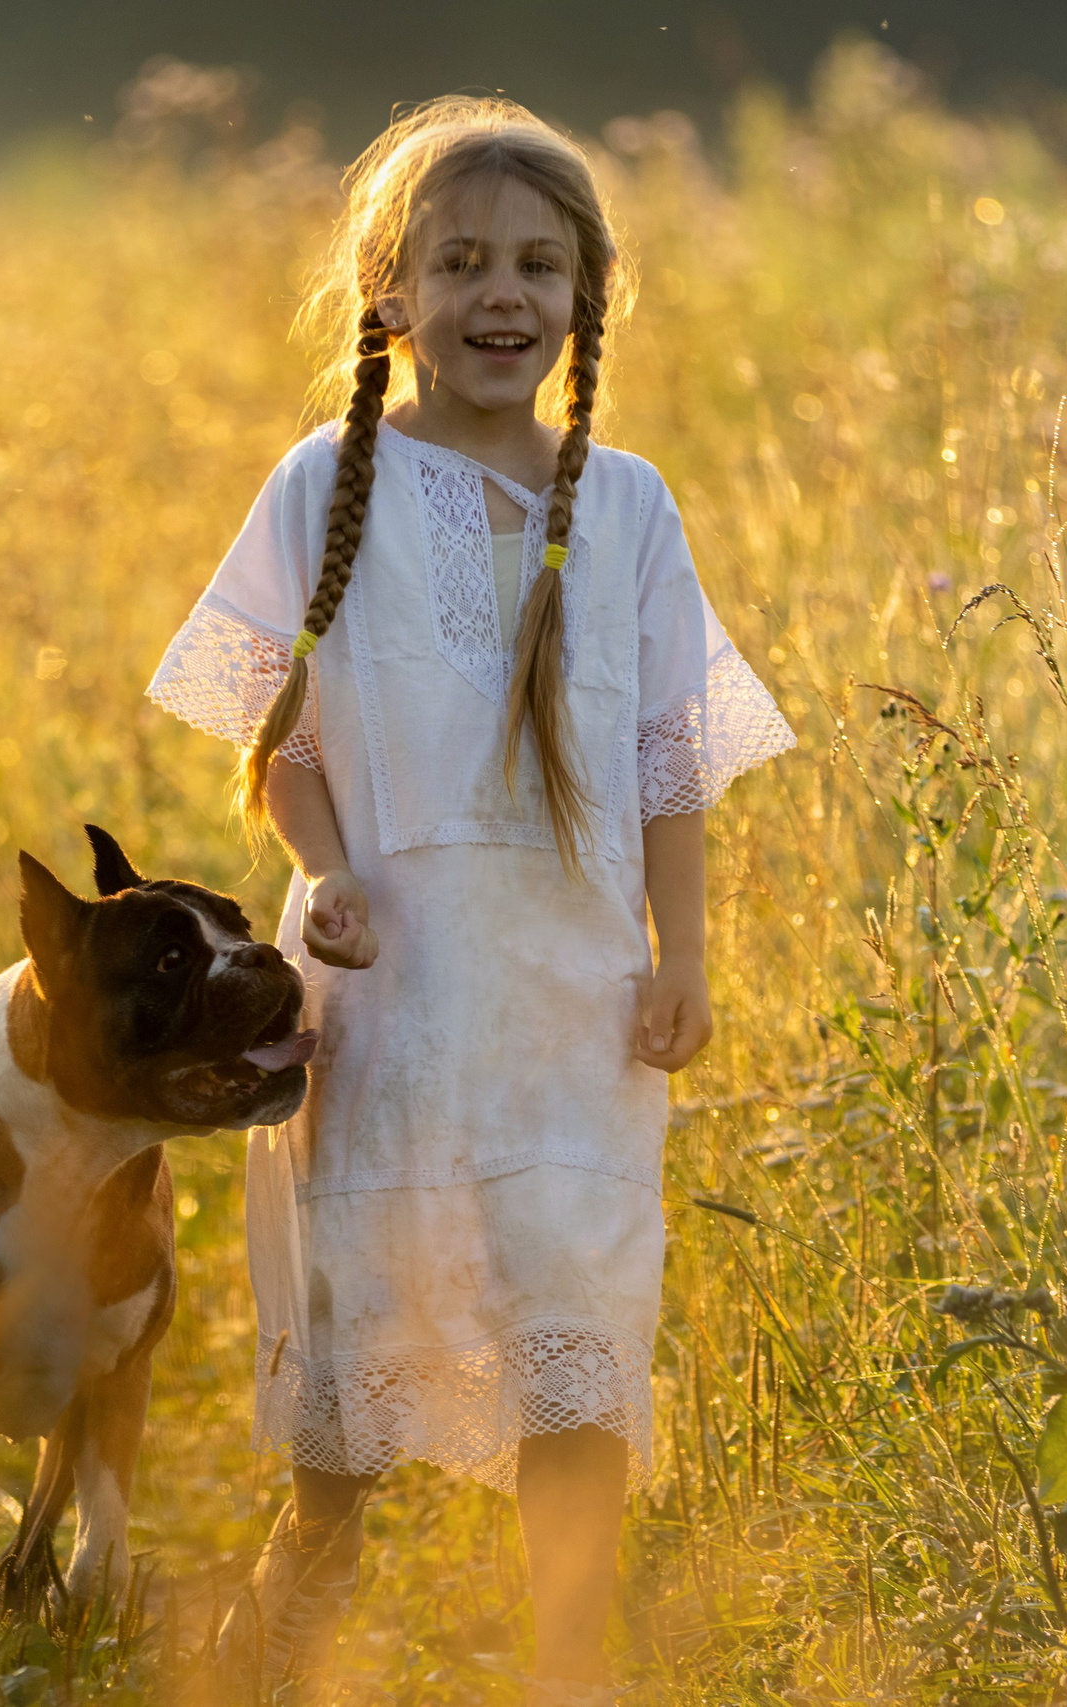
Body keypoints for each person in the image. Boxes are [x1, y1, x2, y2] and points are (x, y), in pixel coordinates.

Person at [146, 97, 794, 1704]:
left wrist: (685, 955)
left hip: (575, 997)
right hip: (393, 991)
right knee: (363, 1338)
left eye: (536, 266)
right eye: (461, 263)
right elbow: (283, 742)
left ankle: (570, 1666)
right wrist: (326, 873)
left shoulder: (628, 504)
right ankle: (284, 1644)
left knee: (578, 1316)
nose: (502, 294)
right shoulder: (325, 483)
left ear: (586, 295)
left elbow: (668, 759)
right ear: (390, 291)